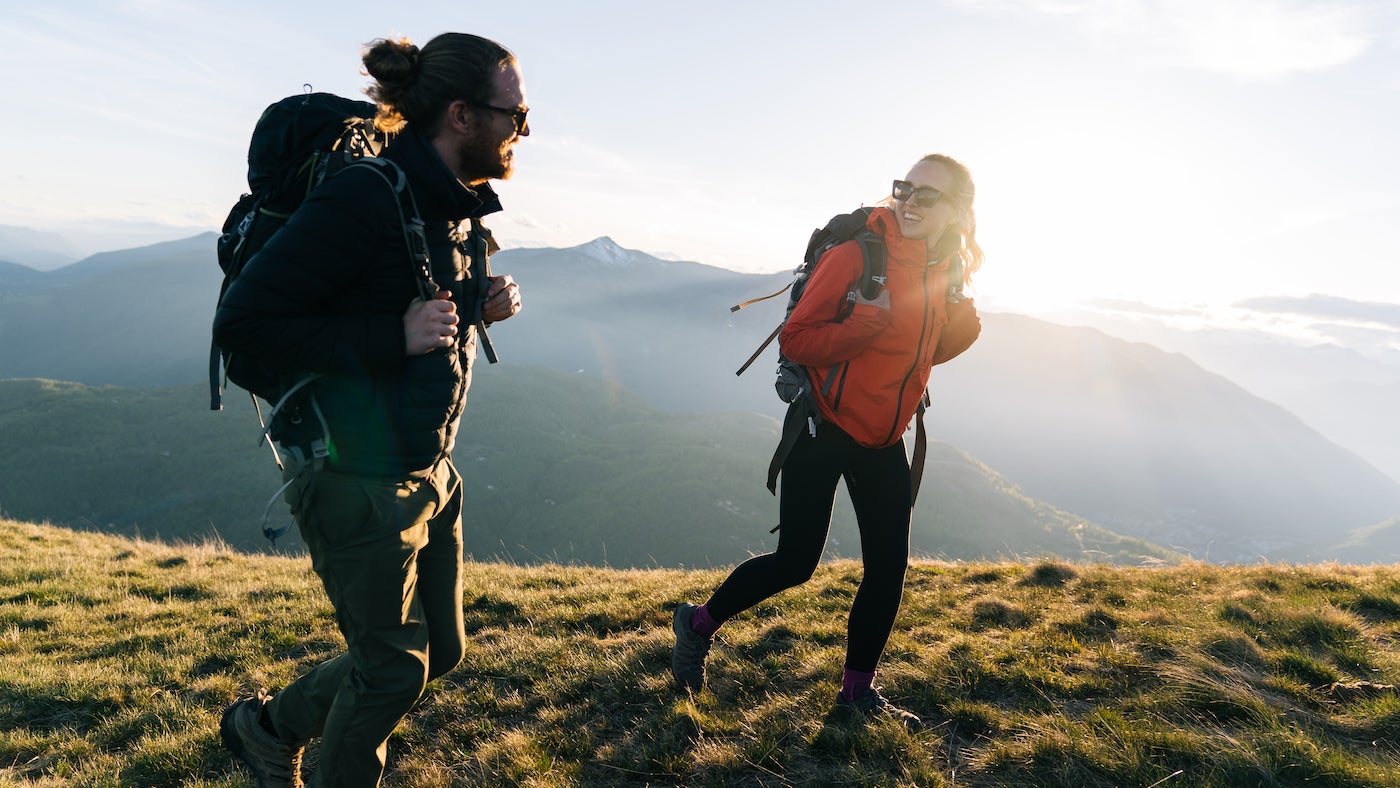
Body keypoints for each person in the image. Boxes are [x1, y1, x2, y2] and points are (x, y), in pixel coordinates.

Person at [213, 32, 527, 787]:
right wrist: (393, 336)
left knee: (439, 651)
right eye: (514, 114)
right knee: (390, 670)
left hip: (430, 468)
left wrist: (480, 302)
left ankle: (267, 729)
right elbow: (245, 324)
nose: (522, 130)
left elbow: (407, 296)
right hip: (356, 477)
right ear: (460, 115)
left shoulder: (450, 204)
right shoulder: (364, 196)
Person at [671, 154, 983, 729]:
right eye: (904, 188)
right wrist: (865, 325)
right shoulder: (855, 256)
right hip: (822, 429)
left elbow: (929, 345)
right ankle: (696, 625)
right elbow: (797, 339)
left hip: (885, 437)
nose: (910, 202)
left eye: (927, 195)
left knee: (887, 569)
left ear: (957, 210)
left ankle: (856, 695)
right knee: (796, 562)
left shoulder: (946, 267)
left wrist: (962, 319)